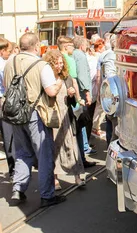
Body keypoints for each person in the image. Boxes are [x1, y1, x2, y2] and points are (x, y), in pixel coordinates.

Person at [3, 33, 66, 207]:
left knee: (22, 152)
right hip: (35, 113)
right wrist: (59, 83)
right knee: (44, 154)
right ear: (36, 46)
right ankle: (47, 195)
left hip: (15, 114)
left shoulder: (10, 62)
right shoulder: (41, 65)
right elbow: (51, 91)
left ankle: (18, 189)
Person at [43, 49, 85, 189]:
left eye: (61, 63)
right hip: (53, 118)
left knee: (72, 147)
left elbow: (72, 103)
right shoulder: (47, 79)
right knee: (54, 148)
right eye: (57, 63)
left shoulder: (66, 78)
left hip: (66, 116)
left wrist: (72, 95)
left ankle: (78, 177)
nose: (60, 66)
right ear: (50, 64)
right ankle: (55, 179)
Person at [73, 36, 97, 162]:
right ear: (82, 46)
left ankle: (83, 147)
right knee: (82, 120)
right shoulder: (81, 56)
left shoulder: (74, 54)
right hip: (82, 94)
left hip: (78, 93)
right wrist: (87, 93)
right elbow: (83, 75)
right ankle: (84, 148)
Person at [96, 34, 117, 145]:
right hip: (117, 92)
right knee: (116, 123)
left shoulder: (103, 56)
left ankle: (109, 145)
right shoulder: (119, 55)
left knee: (109, 119)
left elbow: (99, 76)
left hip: (106, 91)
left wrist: (100, 92)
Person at [0, 39, 14, 176]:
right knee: (9, 137)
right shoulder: (4, 65)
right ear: (2, 50)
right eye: (8, 52)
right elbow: (7, 84)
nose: (9, 54)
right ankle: (14, 170)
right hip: (3, 101)